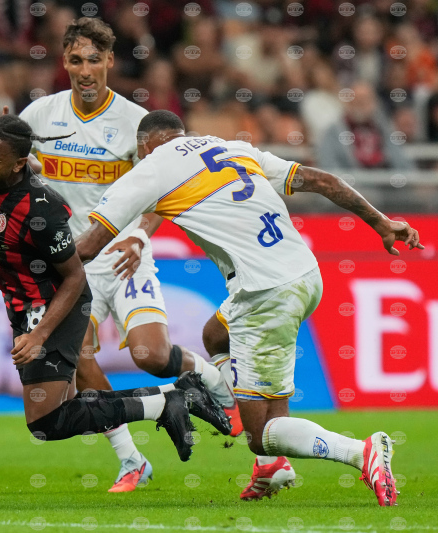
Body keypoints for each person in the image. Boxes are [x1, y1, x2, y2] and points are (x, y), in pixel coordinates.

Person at [77, 110, 423, 507]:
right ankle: (270, 467)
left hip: (265, 293)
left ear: (144, 146)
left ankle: (361, 452)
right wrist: (380, 222)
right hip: (305, 275)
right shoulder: (230, 149)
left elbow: (89, 246)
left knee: (262, 434)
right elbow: (323, 180)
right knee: (215, 335)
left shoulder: (151, 168)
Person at [0, 17, 237, 492]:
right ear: (64, 62)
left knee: (150, 354)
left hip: (122, 253)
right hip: (68, 262)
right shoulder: (40, 116)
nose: (85, 70)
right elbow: (15, 180)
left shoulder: (134, 122)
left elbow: (166, 187)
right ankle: (131, 459)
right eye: (76, 60)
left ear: (110, 62)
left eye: (94, 60)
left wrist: (139, 235)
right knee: (80, 356)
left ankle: (209, 379)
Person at [0, 115, 232, 464]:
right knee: (59, 411)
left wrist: (39, 334)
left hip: (53, 304)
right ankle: (170, 399)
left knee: (46, 421)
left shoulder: (42, 210)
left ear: (18, 164)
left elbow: (75, 277)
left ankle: (165, 407)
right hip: (21, 302)